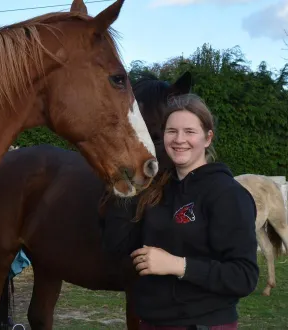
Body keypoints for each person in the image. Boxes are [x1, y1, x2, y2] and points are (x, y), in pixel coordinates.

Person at [101, 93, 259, 330]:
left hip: (202, 323)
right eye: (171, 131)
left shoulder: (227, 194)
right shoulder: (158, 190)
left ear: (207, 138)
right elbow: (118, 246)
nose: (179, 139)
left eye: (189, 132)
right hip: (151, 322)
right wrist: (120, 189)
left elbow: (244, 276)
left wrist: (178, 265)